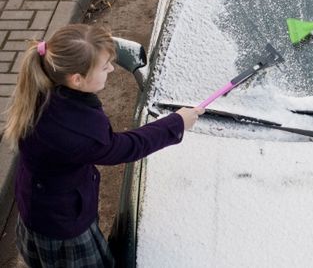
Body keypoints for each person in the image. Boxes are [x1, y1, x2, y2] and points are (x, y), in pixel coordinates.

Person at [3, 24, 205, 267]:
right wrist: (177, 123)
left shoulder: (43, 86)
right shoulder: (75, 132)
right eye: (104, 66)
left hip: (39, 206)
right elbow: (125, 147)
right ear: (77, 79)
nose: (111, 68)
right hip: (64, 228)